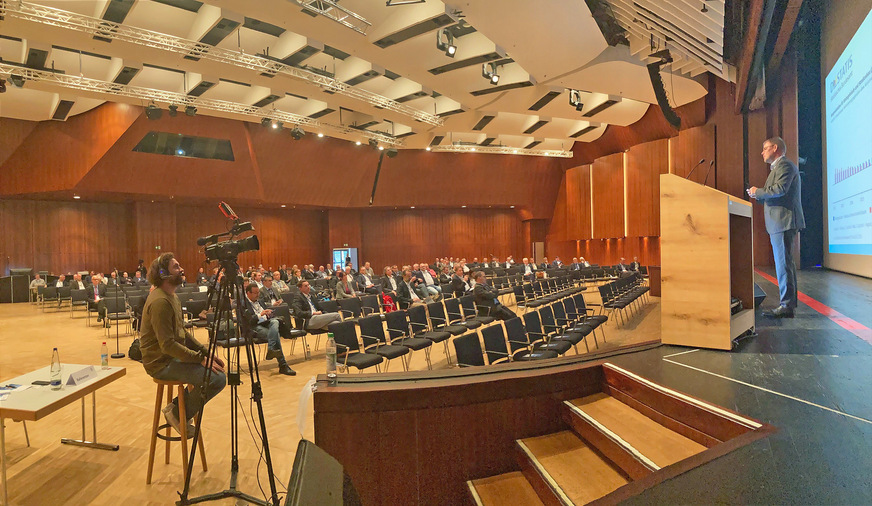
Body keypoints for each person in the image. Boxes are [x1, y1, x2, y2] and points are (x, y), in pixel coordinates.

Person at [140, 252, 226, 434]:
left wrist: (205, 352)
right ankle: (178, 415)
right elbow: (168, 345)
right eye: (176, 267)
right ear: (163, 274)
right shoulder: (160, 301)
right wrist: (198, 359)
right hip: (160, 363)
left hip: (170, 357)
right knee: (217, 379)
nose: (182, 269)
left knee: (215, 370)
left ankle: (175, 408)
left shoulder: (172, 297)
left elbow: (182, 333)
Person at [748, 136, 805, 318]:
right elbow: (774, 193)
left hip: (783, 221)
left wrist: (759, 192)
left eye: (765, 148)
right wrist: (758, 195)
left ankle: (786, 305)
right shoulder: (777, 168)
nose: (762, 152)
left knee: (783, 264)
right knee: (784, 264)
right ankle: (787, 304)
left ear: (774, 148)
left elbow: (779, 190)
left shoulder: (785, 166)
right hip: (779, 222)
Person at [243, 284, 295, 375]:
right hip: (254, 327)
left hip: (266, 323)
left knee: (275, 322)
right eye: (255, 293)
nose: (257, 294)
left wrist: (269, 314)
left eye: (258, 292)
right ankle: (283, 365)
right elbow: (247, 322)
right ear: (248, 293)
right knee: (275, 336)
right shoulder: (243, 304)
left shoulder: (260, 301)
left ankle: (271, 349)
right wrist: (260, 315)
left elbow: (268, 317)